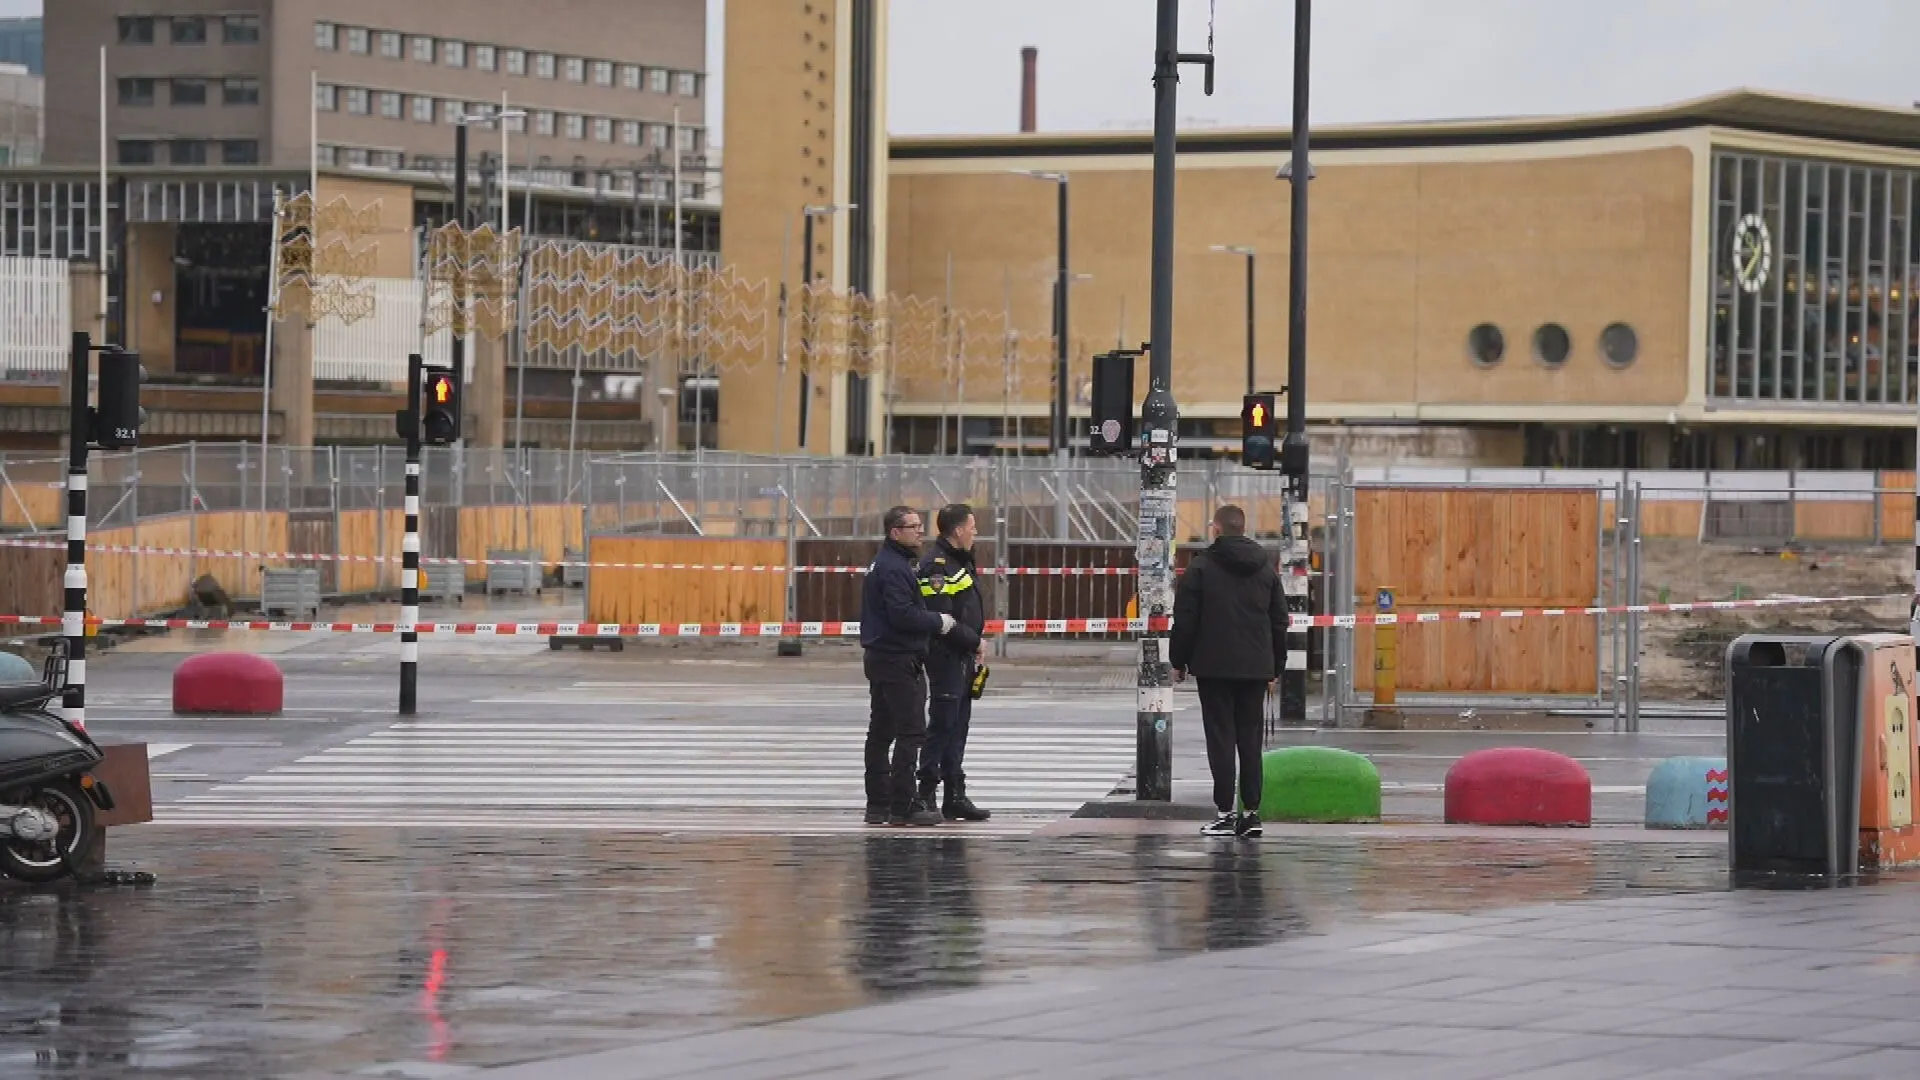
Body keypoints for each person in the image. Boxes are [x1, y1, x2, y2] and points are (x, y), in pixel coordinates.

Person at [1169, 504, 1287, 838]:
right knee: (1250, 740)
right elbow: (1280, 619)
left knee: (1220, 738)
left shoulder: (1201, 568)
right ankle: (1251, 814)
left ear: (1216, 529)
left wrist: (1179, 661)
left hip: (1214, 667)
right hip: (1255, 668)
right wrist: (1275, 666)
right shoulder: (1265, 569)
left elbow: (1186, 619)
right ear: (1243, 527)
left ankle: (1224, 812)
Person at [859, 504, 956, 827]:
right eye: (913, 526)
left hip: (881, 657)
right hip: (898, 659)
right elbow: (902, 615)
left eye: (919, 525)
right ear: (895, 532)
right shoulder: (894, 568)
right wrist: (938, 621)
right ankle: (903, 805)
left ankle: (878, 804)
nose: (920, 532)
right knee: (910, 732)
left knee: (882, 732)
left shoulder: (887, 563)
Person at [916, 503, 990, 822]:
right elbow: (942, 617)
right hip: (946, 655)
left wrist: (972, 645)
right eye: (972, 526)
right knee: (943, 725)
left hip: (961, 656)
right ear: (958, 530)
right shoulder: (937, 566)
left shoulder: (959, 561)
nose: (975, 532)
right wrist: (974, 640)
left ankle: (954, 795)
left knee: (958, 727)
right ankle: (925, 794)